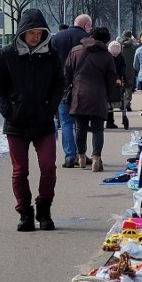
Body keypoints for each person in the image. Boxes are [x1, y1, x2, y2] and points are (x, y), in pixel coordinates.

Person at [0, 8, 65, 232]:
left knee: (48, 167)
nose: (35, 37)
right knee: (20, 171)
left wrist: (51, 106)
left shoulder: (51, 55)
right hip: (16, 123)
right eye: (31, 32)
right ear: (22, 32)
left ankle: (44, 208)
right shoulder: (6, 55)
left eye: (39, 33)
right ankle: (25, 212)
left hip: (43, 123)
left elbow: (60, 82)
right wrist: (8, 110)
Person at [65, 26, 117, 172]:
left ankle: (81, 157)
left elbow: (67, 72)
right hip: (98, 95)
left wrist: (72, 85)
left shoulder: (75, 50)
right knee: (97, 129)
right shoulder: (106, 55)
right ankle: (96, 159)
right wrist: (106, 91)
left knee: (80, 128)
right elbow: (111, 77)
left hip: (79, 94)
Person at [51, 14, 91, 168]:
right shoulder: (87, 39)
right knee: (80, 123)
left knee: (66, 122)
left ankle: (69, 156)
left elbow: (51, 61)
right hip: (83, 86)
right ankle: (81, 154)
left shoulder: (57, 38)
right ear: (86, 25)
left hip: (61, 85)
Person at [105, 40, 126, 129]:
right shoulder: (120, 57)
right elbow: (123, 69)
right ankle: (110, 121)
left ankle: (108, 120)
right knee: (114, 100)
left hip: (105, 81)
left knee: (106, 102)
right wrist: (119, 77)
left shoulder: (105, 56)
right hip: (117, 82)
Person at [118, 29, 138, 111]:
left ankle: (120, 103)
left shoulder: (117, 45)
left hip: (119, 69)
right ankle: (127, 104)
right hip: (130, 70)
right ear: (130, 36)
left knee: (119, 86)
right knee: (129, 87)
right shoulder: (133, 46)